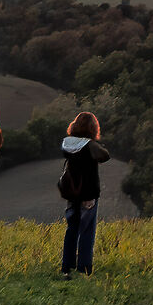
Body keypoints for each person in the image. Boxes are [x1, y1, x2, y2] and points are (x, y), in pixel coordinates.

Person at [57, 111, 111, 279]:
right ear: (92, 128)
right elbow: (105, 156)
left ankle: (67, 267)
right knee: (87, 233)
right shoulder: (91, 145)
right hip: (88, 195)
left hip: (72, 195)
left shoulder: (67, 143)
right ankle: (84, 269)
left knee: (71, 230)